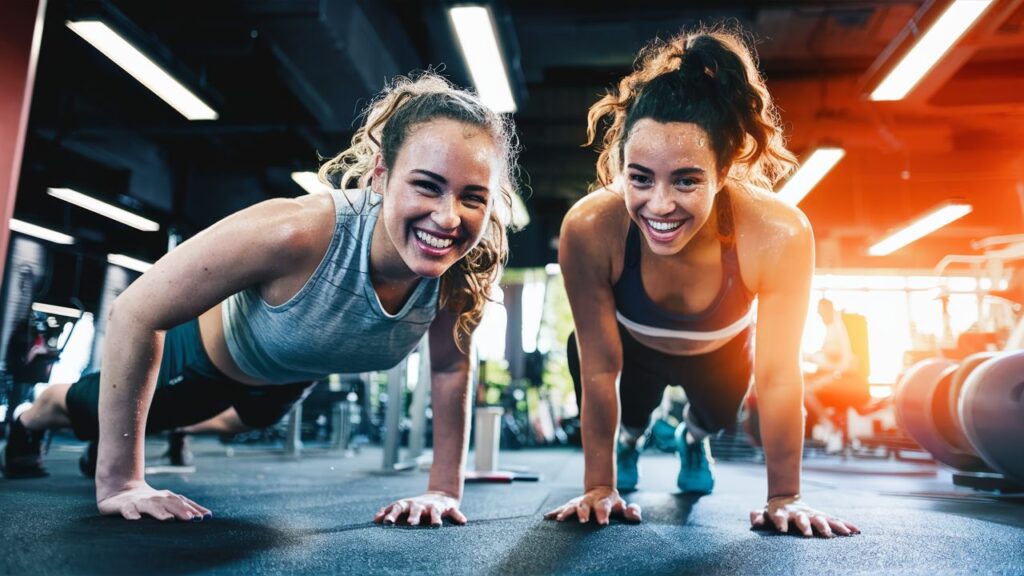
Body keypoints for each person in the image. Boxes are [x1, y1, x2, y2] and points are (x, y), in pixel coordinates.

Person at [1, 71, 520, 527]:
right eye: (427, 186)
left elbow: (451, 370)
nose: (448, 217)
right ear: (381, 176)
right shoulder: (294, 232)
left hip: (281, 382)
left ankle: (117, 433)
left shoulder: (462, 267)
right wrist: (121, 480)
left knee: (240, 420)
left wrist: (442, 490)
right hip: (203, 363)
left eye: (472, 196)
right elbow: (135, 309)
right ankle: (34, 417)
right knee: (108, 411)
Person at [546, 27, 860, 538]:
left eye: (686, 180)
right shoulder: (589, 229)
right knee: (622, 404)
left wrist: (786, 497)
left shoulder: (778, 233)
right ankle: (631, 441)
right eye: (640, 178)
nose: (660, 204)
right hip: (630, 351)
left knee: (713, 417)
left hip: (722, 353)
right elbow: (601, 370)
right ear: (620, 164)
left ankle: (693, 440)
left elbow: (779, 375)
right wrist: (599, 486)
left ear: (724, 169)